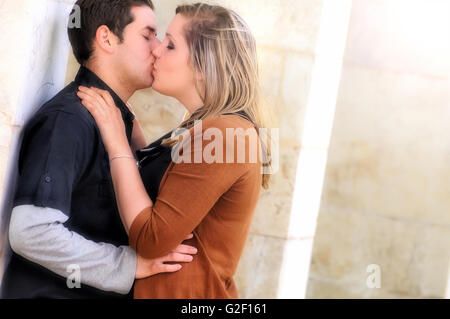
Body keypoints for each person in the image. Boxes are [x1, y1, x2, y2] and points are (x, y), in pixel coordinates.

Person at [1, 0, 197, 299]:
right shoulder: (68, 120)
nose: (157, 48)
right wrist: (128, 265)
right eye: (148, 35)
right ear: (106, 38)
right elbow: (31, 232)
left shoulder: (117, 121)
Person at [77, 3, 271, 299]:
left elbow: (151, 238)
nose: (155, 50)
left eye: (170, 45)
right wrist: (130, 131)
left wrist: (117, 143)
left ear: (205, 67)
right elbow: (158, 191)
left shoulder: (224, 133)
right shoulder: (205, 127)